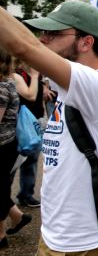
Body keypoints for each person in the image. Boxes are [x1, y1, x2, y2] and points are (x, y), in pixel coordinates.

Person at [0, 1, 98, 254]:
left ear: (86, 42)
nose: (43, 39)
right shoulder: (71, 86)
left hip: (83, 240)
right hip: (56, 231)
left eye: (53, 33)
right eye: (44, 32)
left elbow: (23, 45)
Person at [0, 49, 32, 251]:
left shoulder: (2, 87)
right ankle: (17, 216)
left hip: (2, 145)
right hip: (7, 144)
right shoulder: (9, 82)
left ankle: (1, 236)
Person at [11, 60, 43, 208]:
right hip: (22, 125)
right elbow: (31, 95)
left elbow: (37, 92)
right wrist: (35, 77)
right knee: (15, 161)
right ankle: (12, 200)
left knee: (31, 160)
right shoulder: (17, 75)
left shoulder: (33, 74)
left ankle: (26, 195)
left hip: (35, 120)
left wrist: (44, 87)